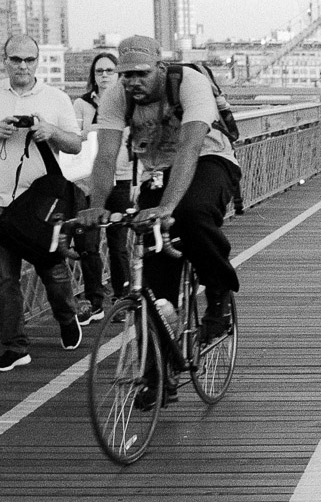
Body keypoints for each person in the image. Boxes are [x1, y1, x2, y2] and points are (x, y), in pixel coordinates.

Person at [80, 35, 242, 348]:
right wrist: (95, 206)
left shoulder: (189, 83)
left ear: (161, 67)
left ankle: (218, 292)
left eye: (142, 73)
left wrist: (166, 208)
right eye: (126, 75)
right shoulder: (117, 97)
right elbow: (104, 156)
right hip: (158, 170)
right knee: (153, 274)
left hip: (211, 158)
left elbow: (190, 148)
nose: (133, 82)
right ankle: (155, 378)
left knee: (192, 214)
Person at [0, 34, 84, 371]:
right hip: (1, 201)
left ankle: (67, 317)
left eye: (29, 60)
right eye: (16, 59)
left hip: (42, 205)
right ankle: (15, 347)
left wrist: (50, 131)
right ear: (4, 61)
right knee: (5, 279)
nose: (22, 66)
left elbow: (75, 145)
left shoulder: (56, 98)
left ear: (37, 62)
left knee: (54, 271)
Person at [70, 51, 132, 324]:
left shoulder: (129, 102)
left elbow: (132, 136)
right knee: (88, 243)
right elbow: (74, 137)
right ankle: (95, 301)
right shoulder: (81, 104)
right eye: (99, 71)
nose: (104, 75)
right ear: (93, 76)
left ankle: (122, 297)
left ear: (118, 74)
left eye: (109, 70)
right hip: (87, 182)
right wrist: (102, 126)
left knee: (118, 244)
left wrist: (95, 129)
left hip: (121, 177)